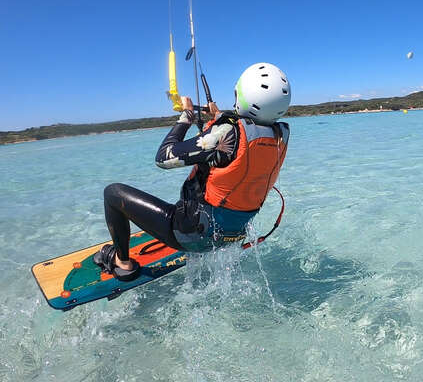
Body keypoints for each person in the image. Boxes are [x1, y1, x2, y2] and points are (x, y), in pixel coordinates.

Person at [93, 63, 291, 281]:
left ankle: (123, 264)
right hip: (232, 234)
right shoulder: (278, 136)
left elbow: (164, 157)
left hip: (195, 233)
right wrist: (218, 116)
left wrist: (186, 116)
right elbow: (241, 137)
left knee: (112, 193)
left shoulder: (225, 135)